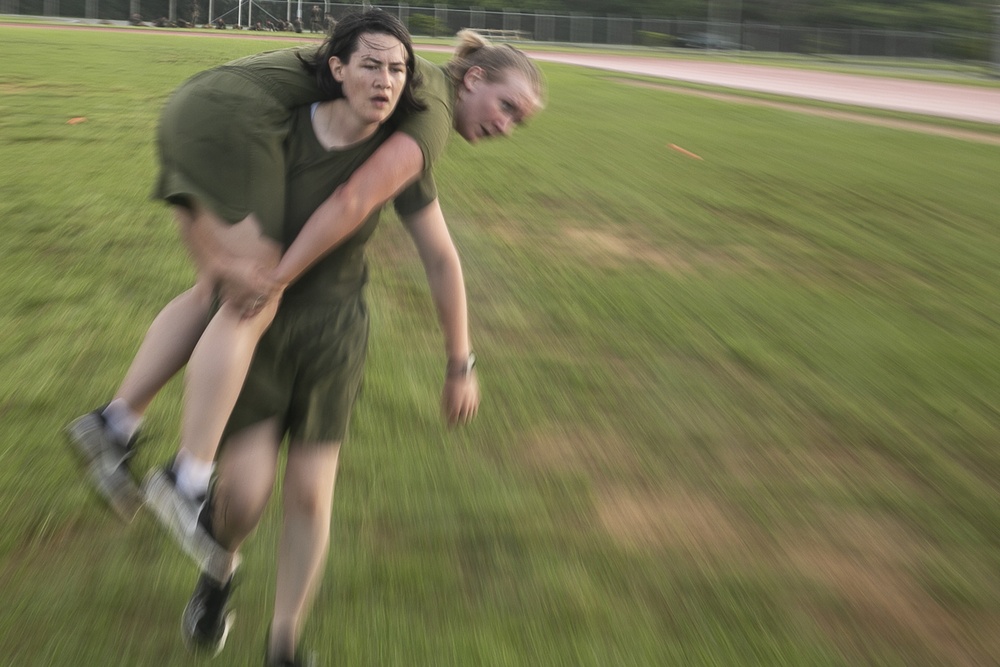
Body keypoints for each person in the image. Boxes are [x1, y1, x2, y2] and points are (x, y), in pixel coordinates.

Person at [66, 16, 542, 576]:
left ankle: (115, 424)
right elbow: (355, 199)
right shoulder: (432, 112)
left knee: (220, 287)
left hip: (202, 104)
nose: (507, 126)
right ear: (473, 78)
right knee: (252, 295)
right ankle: (186, 476)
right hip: (233, 118)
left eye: (520, 122)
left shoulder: (414, 100)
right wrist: (280, 280)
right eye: (507, 107)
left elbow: (430, 243)